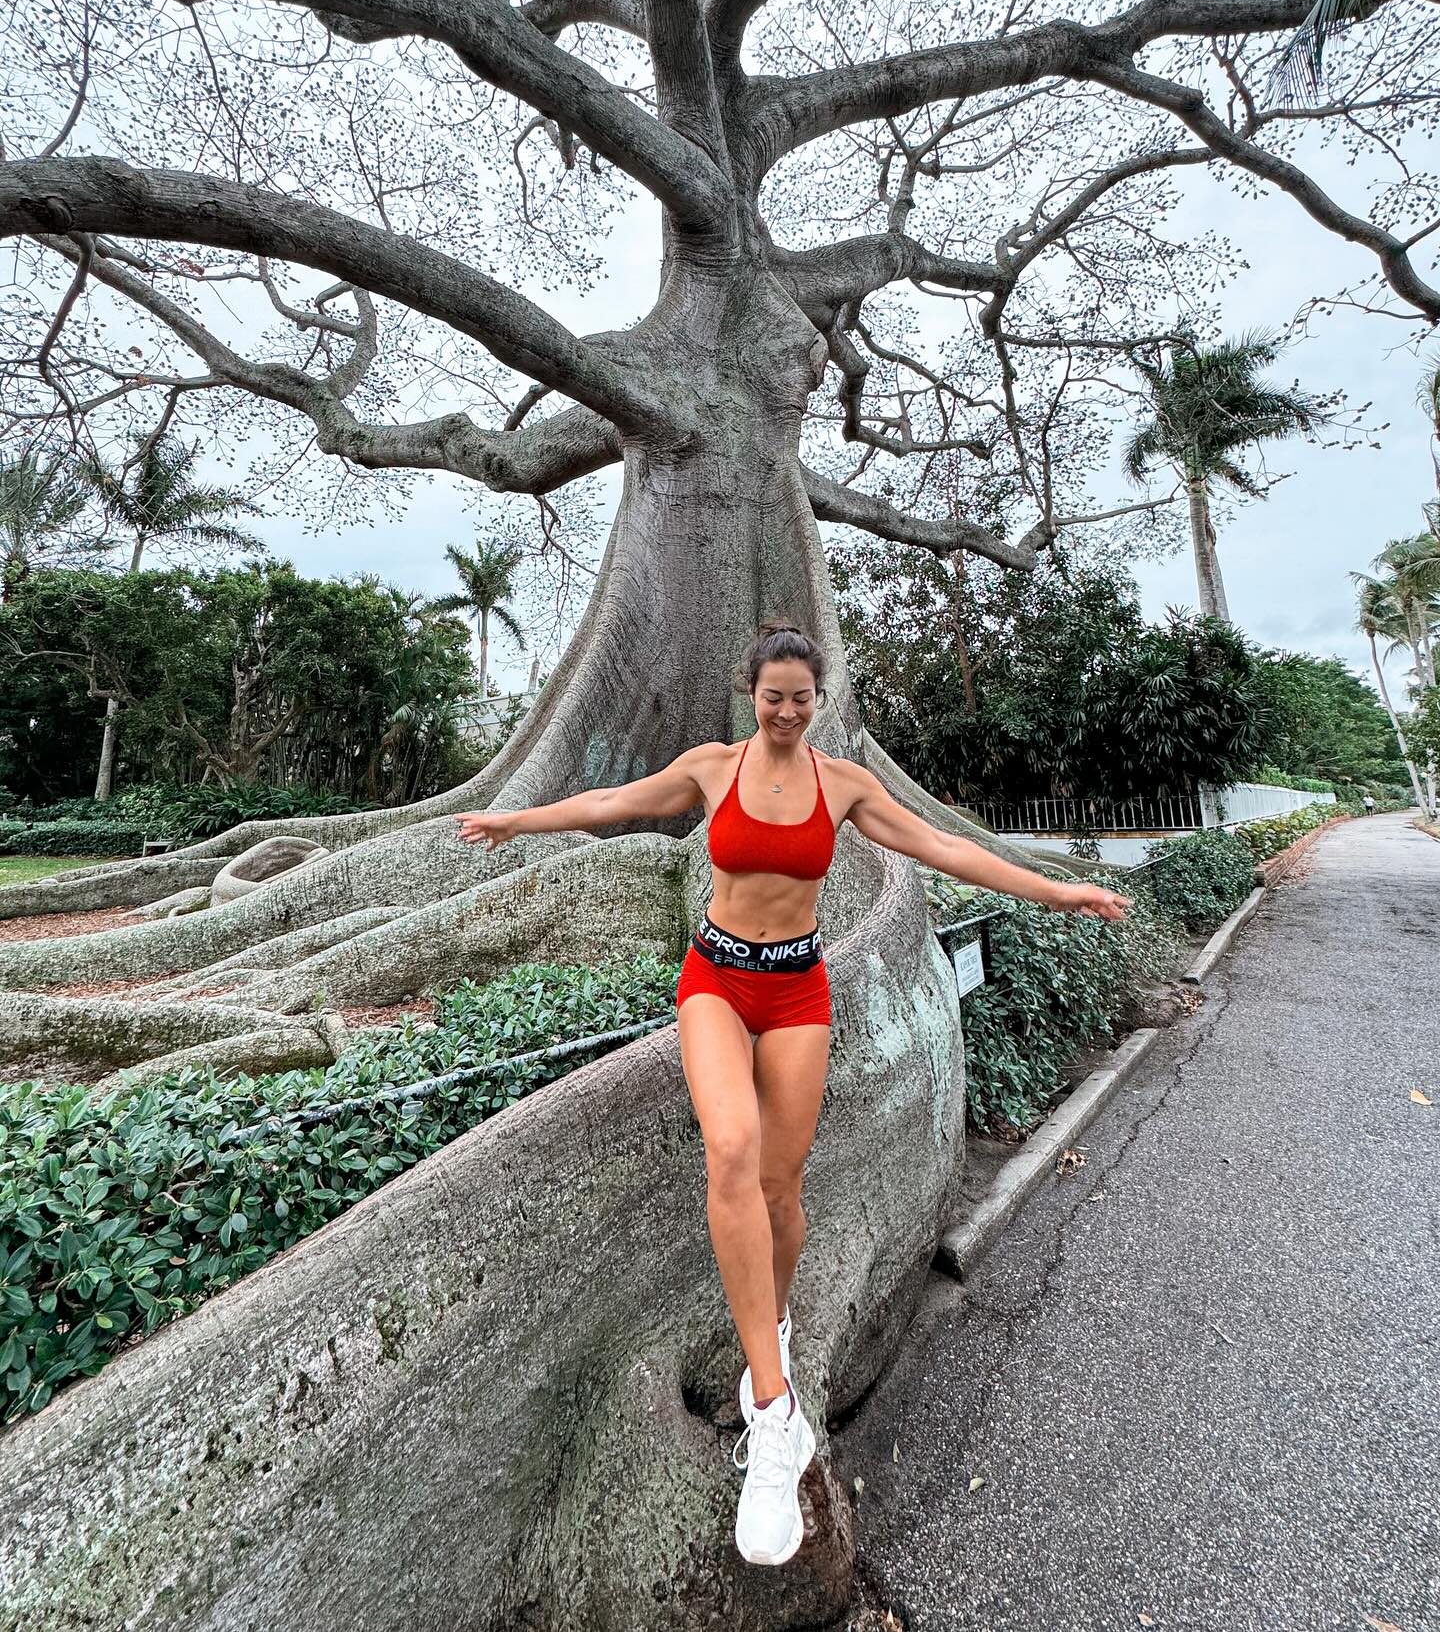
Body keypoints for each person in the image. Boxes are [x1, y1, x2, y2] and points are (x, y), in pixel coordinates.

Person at [455, 621, 1130, 1568]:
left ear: (819, 701)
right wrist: (514, 821)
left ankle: (769, 1316)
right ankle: (773, 1410)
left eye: (800, 698)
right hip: (717, 980)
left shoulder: (843, 784)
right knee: (729, 1147)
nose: (784, 709)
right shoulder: (711, 767)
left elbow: (943, 847)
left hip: (799, 989)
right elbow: (612, 799)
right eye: (771, 695)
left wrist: (1056, 891)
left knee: (780, 1187)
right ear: (751, 695)